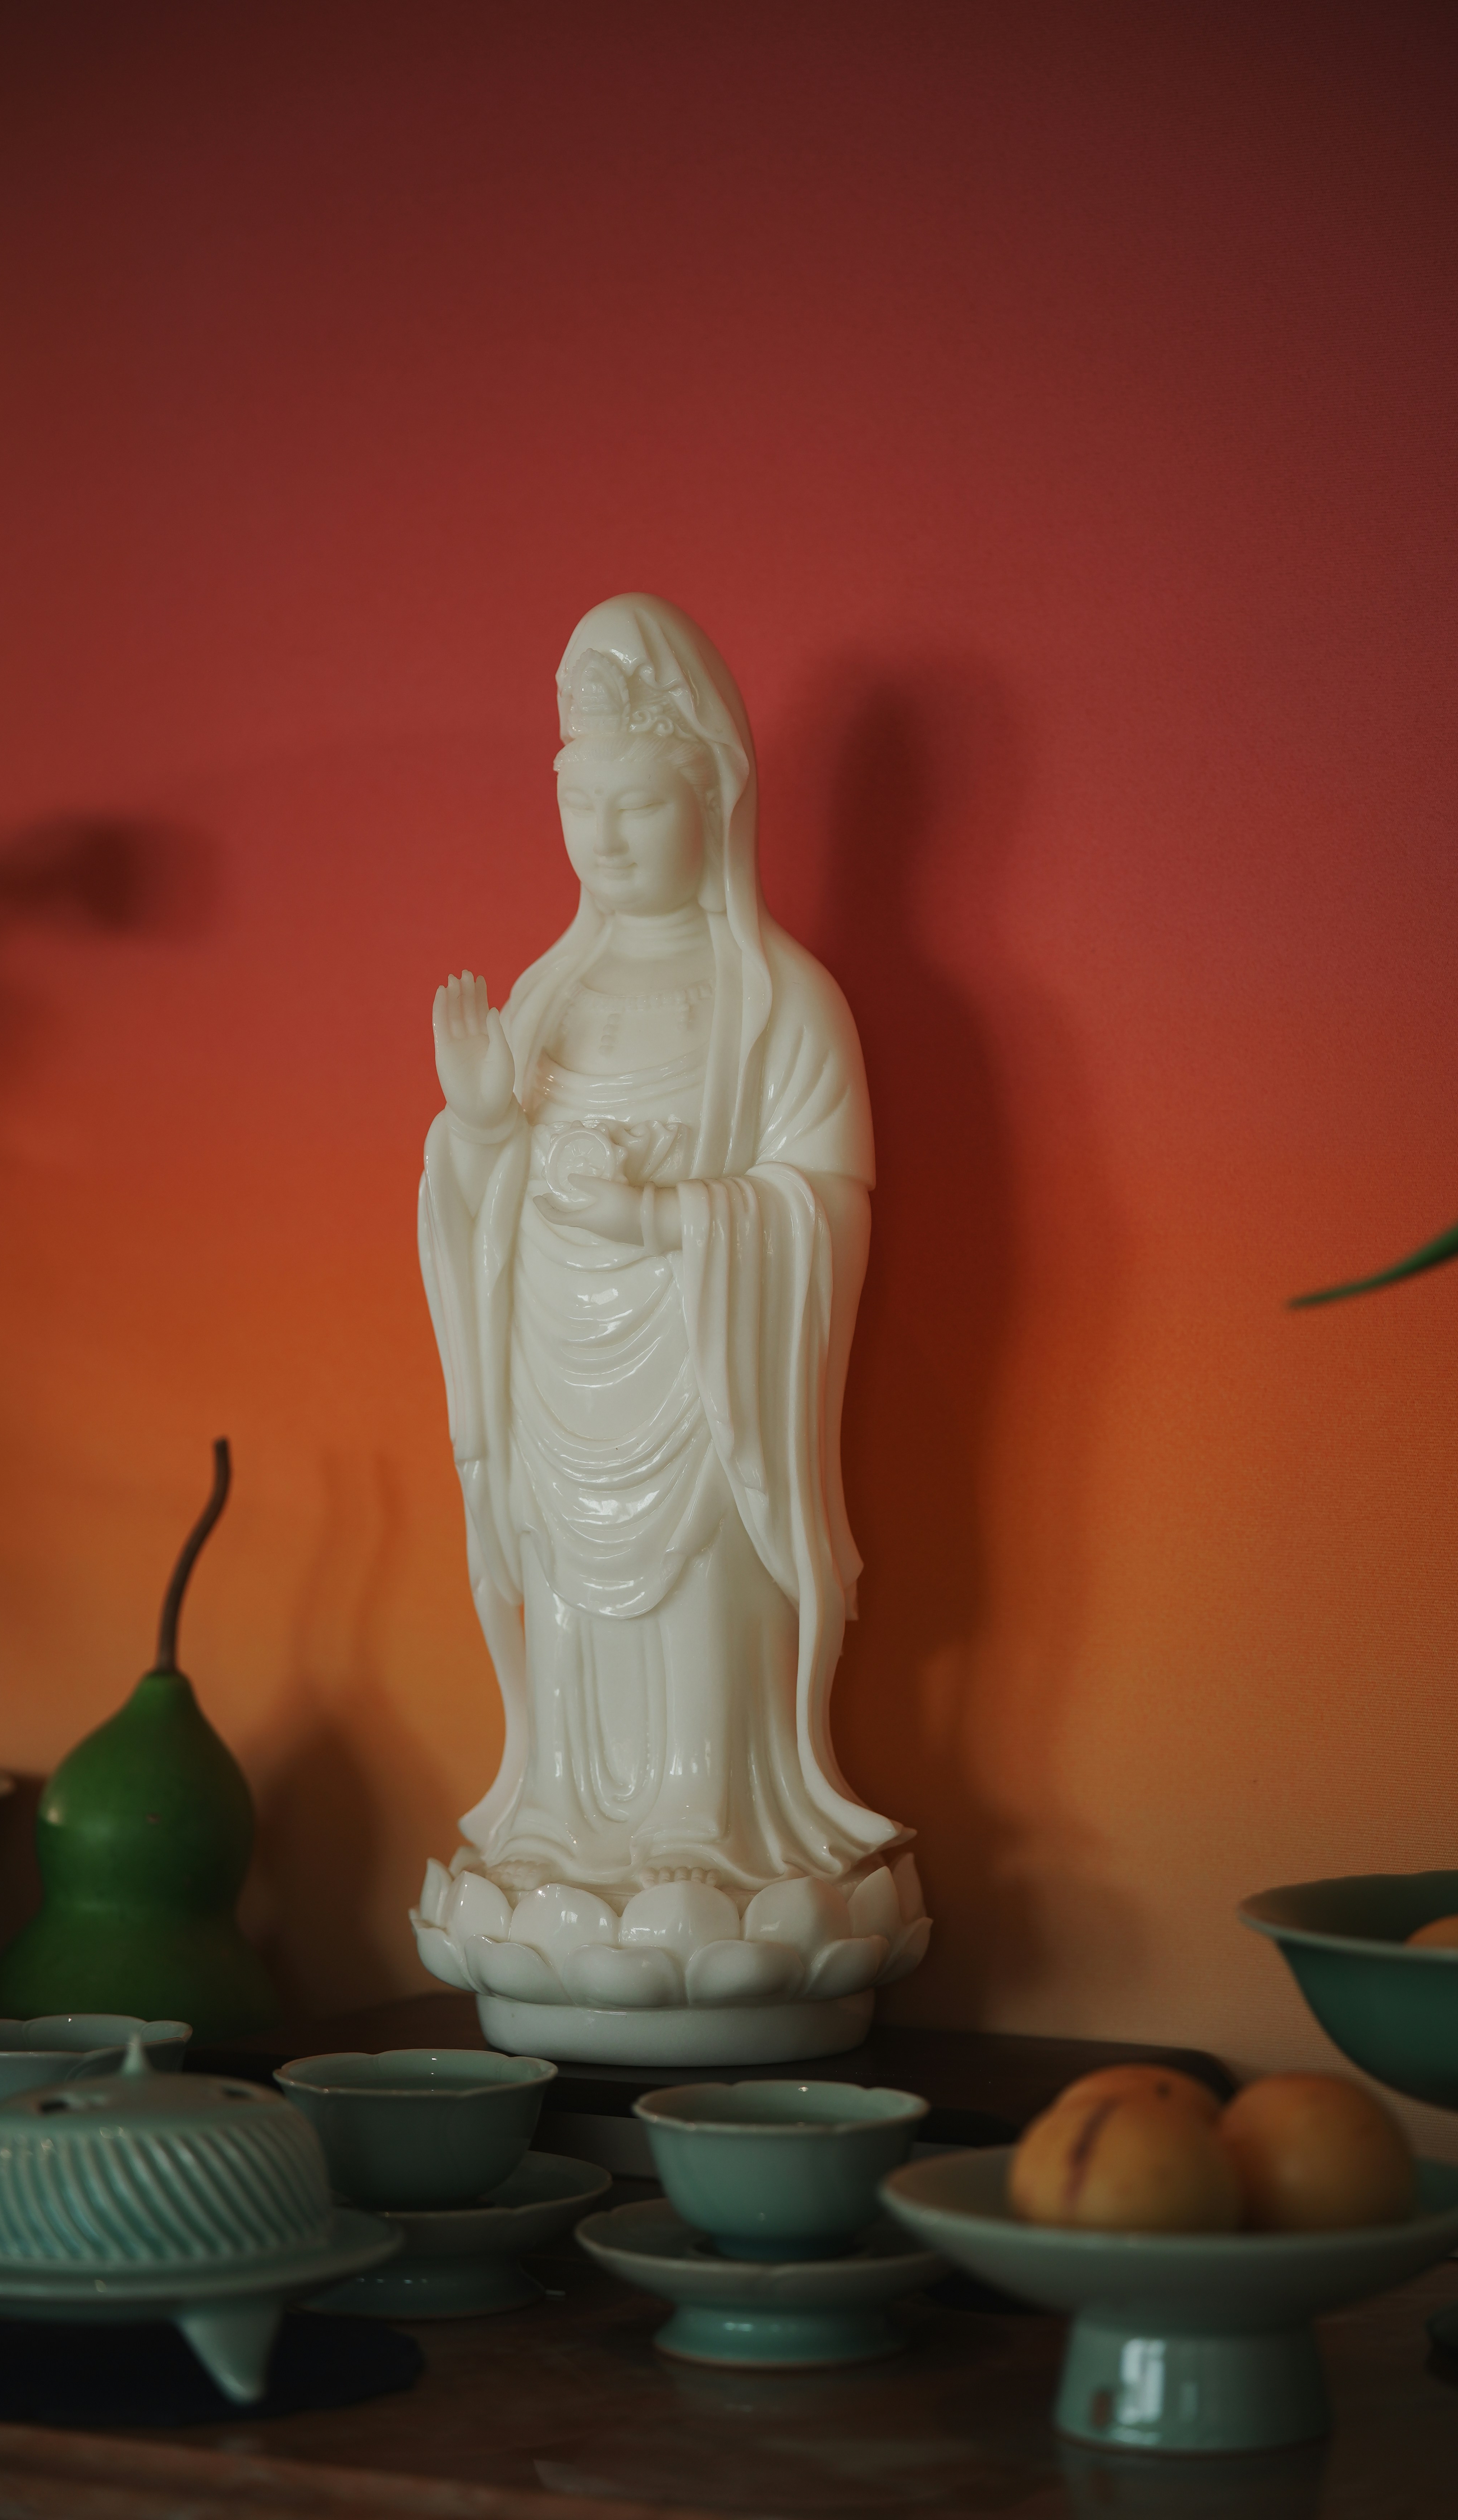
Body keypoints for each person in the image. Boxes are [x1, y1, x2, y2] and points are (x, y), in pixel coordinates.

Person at [420, 595, 901, 1905]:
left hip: (706, 1362)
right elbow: (478, 1197)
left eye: (639, 803)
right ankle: (575, 1821)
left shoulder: (782, 1003)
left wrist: (671, 1225)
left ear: (714, 798)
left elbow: (825, 1206)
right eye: (583, 802)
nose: (606, 836)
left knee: (699, 1580)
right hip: (559, 1364)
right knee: (572, 1578)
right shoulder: (552, 993)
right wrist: (478, 1131)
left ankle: (708, 1818)